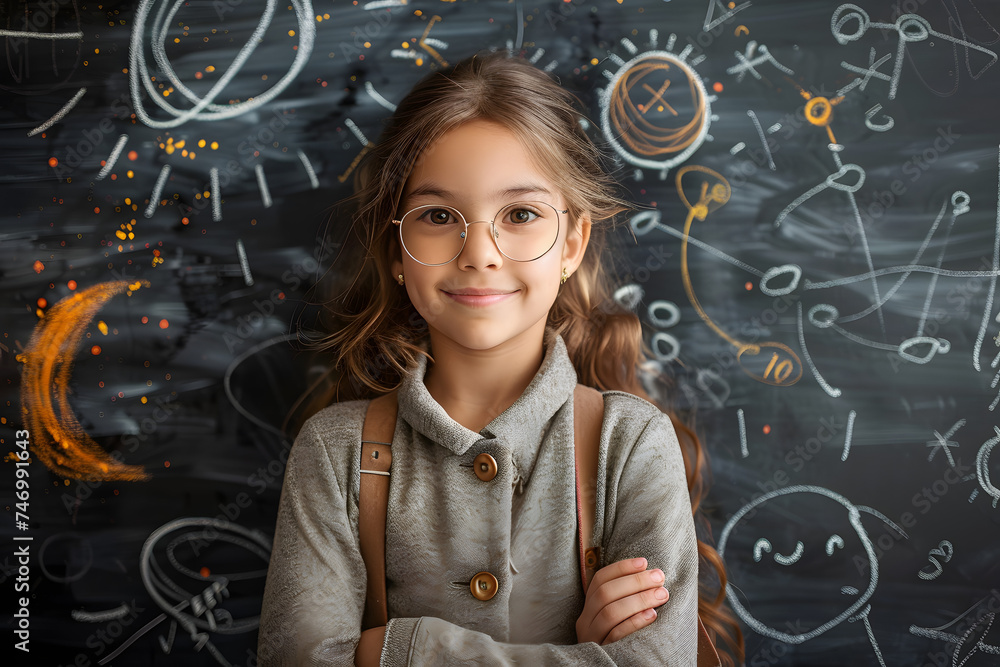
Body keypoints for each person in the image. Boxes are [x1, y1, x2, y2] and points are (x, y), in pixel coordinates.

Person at [258, 50, 743, 666]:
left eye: (520, 214)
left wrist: (398, 652)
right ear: (398, 251)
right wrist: (580, 652)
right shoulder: (334, 452)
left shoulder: (631, 444)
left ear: (571, 243)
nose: (480, 252)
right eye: (438, 216)